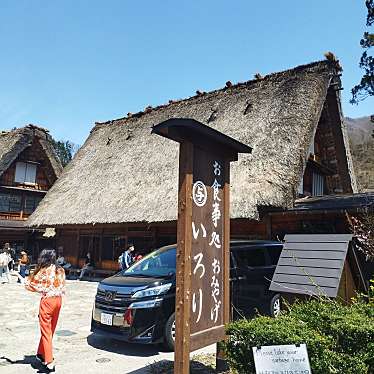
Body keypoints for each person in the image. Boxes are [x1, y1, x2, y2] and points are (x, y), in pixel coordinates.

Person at [24, 248, 65, 372]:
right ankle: (40, 354)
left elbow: (30, 285)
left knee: (45, 331)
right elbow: (62, 285)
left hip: (47, 301)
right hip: (58, 300)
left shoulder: (43, 271)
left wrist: (25, 280)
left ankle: (49, 361)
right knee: (50, 330)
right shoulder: (60, 270)